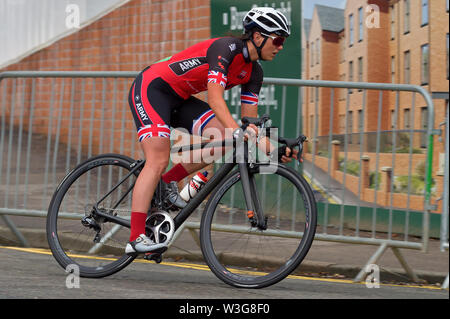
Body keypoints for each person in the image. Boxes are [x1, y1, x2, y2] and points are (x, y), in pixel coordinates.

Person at [125, 7, 297, 255]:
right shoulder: (226, 49)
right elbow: (215, 99)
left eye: (283, 41)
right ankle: (135, 238)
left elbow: (250, 126)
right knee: (158, 158)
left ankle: (166, 183)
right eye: (278, 39)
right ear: (258, 37)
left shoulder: (255, 72)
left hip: (180, 98)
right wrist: (239, 131)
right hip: (153, 88)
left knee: (230, 139)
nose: (280, 46)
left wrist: (275, 150)